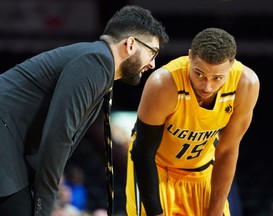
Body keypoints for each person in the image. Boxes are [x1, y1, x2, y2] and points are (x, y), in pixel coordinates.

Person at [0, 4, 169, 216]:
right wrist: (44, 207)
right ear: (131, 44)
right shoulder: (95, 62)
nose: (153, 64)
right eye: (152, 52)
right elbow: (58, 135)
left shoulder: (98, 64)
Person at [126, 27, 260, 216]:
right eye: (199, 74)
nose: (207, 86)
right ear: (190, 57)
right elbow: (143, 153)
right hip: (155, 168)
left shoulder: (246, 84)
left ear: (231, 66)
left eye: (217, 78)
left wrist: (215, 211)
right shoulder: (163, 84)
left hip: (201, 169)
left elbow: (228, 150)